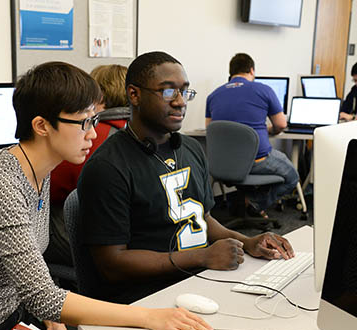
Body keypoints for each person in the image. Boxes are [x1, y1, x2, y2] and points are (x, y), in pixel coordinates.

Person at [0, 61, 218, 330]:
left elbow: (29, 274)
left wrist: (48, 318)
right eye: (83, 123)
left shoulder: (39, 172)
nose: (93, 134)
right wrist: (148, 317)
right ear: (41, 126)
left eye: (93, 120)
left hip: (13, 324)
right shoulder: (1, 187)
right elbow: (45, 297)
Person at [77, 51, 295, 305]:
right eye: (168, 91)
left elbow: (203, 219)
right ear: (134, 94)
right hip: (146, 298)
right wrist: (202, 257)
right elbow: (112, 264)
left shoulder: (190, 149)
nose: (180, 102)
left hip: (199, 279)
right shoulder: (108, 167)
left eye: (185, 92)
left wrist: (248, 242)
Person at [44, 64, 130, 269]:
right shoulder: (142, 132)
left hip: (94, 246)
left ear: (98, 97)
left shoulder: (87, 136)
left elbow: (48, 190)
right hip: (134, 241)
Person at [205, 53, 299, 217]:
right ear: (251, 70)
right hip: (257, 161)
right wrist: (268, 131)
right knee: (293, 177)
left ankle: (243, 201)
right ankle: (254, 203)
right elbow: (281, 124)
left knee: (252, 174)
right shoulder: (263, 90)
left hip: (223, 164)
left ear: (231, 72)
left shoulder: (213, 95)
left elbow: (210, 129)